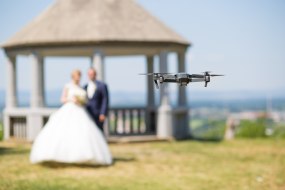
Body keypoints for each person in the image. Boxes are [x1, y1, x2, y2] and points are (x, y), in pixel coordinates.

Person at [30, 70, 112, 165]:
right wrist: (72, 99)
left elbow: (95, 100)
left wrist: (82, 102)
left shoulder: (83, 87)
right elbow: (63, 99)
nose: (79, 78)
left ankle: (84, 155)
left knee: (82, 134)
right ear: (73, 76)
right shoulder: (68, 86)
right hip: (69, 110)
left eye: (80, 76)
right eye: (77, 76)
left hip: (82, 112)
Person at [84, 68, 109, 133]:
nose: (91, 75)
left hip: (98, 114)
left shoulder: (102, 85)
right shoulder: (85, 86)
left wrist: (103, 113)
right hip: (88, 113)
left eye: (92, 74)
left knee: (99, 131)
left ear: (95, 75)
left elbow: (105, 100)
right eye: (89, 74)